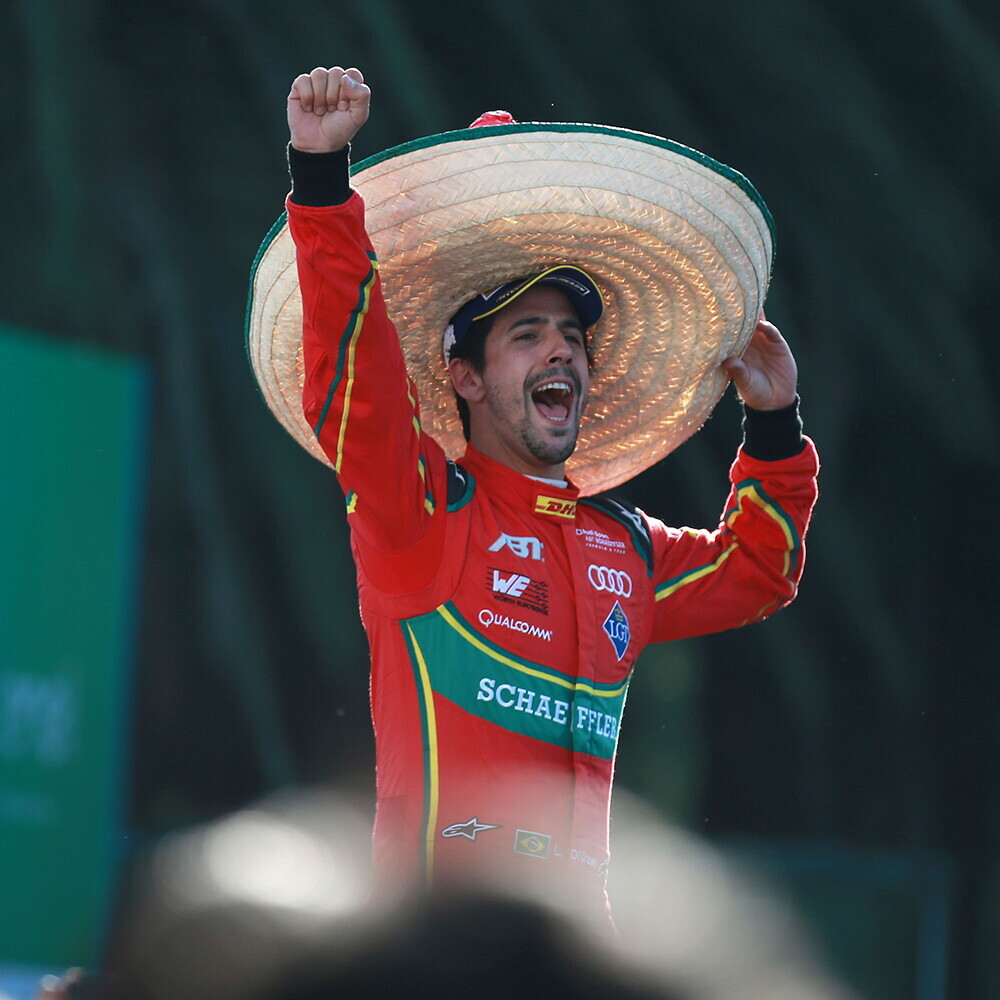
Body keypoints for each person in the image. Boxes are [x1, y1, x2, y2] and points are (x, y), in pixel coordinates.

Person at [252, 65, 819, 914]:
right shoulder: (423, 517)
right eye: (526, 334)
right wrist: (322, 179)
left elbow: (760, 570)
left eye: (572, 337)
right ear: (467, 379)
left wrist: (774, 426)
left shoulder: (625, 548)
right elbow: (356, 388)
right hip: (433, 952)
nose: (560, 350)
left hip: (578, 956)